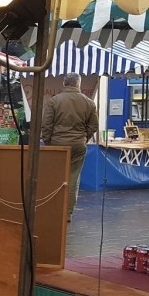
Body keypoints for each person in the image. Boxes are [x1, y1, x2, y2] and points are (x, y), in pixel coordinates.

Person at [40, 73, 98, 222]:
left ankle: (53, 209)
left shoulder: (54, 101)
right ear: (78, 84)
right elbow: (93, 126)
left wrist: (49, 142)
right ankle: (67, 214)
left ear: (64, 84)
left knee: (55, 177)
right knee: (73, 179)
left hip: (57, 145)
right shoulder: (89, 103)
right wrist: (84, 138)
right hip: (78, 145)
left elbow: (46, 125)